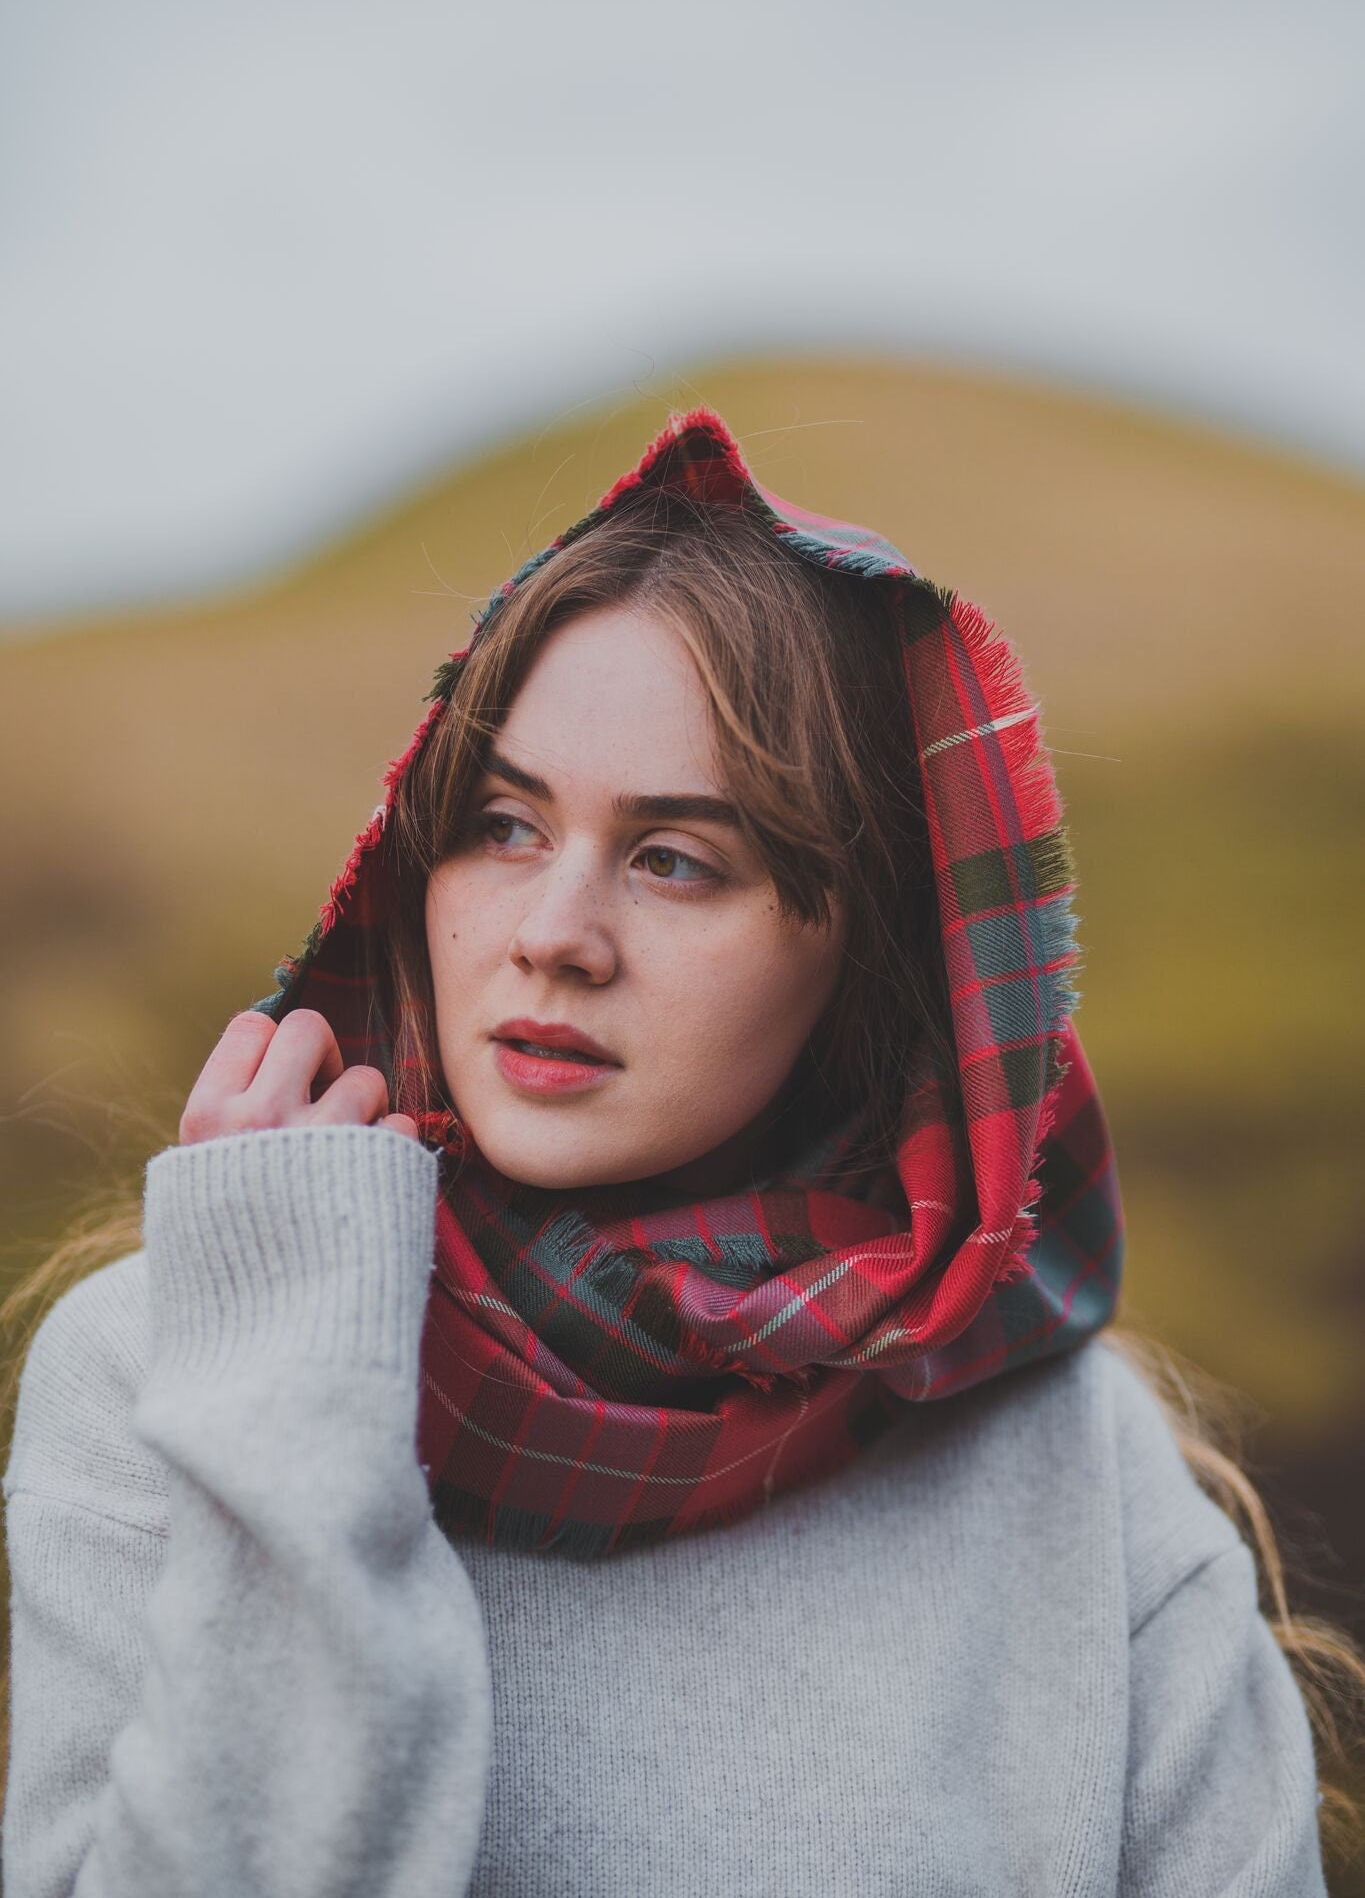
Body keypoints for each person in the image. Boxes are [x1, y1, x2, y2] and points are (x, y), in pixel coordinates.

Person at [0, 408, 1353, 1894]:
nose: (553, 936)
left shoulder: (1075, 1474)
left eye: (675, 860)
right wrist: (290, 1374)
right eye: (501, 824)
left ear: (864, 964)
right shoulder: (160, 1371)